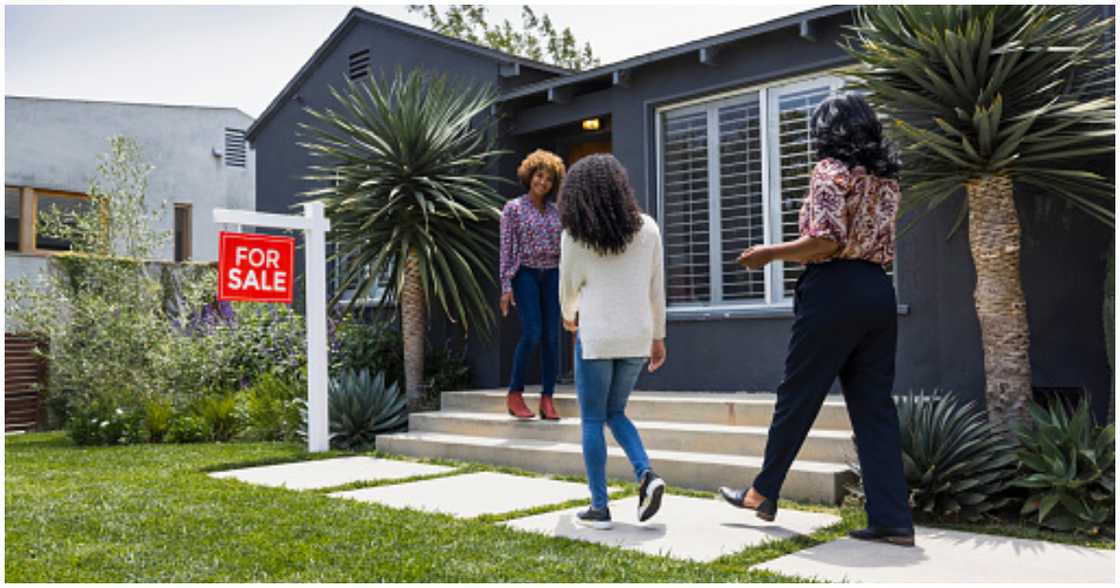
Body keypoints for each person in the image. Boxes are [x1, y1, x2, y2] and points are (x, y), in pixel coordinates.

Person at [719, 93, 916, 547]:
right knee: (874, 408)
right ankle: (892, 519)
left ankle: (762, 492)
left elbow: (826, 241)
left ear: (828, 131)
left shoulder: (830, 170)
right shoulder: (886, 179)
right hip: (877, 290)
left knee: (798, 395)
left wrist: (769, 254)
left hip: (833, 291)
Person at [558, 153, 667, 530]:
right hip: (637, 336)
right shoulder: (648, 229)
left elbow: (568, 290)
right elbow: (657, 290)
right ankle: (646, 474)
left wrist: (569, 317)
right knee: (615, 412)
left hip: (597, 338)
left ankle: (599, 508)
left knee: (592, 418)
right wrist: (658, 337)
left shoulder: (575, 236)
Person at [500, 149, 566, 420]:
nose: (543, 182)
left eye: (549, 179)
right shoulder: (513, 208)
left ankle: (547, 398)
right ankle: (515, 393)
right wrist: (506, 285)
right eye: (540, 176)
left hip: (552, 273)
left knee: (552, 337)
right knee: (532, 333)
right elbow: (506, 248)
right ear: (530, 176)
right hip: (525, 272)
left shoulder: (556, 211)